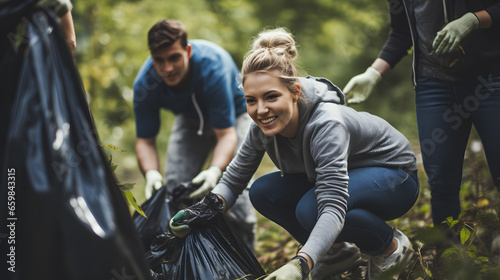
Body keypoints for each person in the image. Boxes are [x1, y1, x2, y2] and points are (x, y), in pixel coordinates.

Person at [169, 28, 420, 280]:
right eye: (251, 100)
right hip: (350, 177)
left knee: (311, 209)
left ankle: (390, 248)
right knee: (263, 191)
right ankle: (334, 252)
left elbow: (332, 204)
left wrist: (302, 263)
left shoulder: (326, 124)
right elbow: (235, 178)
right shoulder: (261, 128)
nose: (261, 110)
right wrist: (203, 209)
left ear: (295, 92)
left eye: (271, 97)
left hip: (395, 178)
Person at [343, 0, 500, 229]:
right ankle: (449, 254)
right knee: (441, 179)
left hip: (491, 79)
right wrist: (373, 73)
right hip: (433, 84)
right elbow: (402, 34)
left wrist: (473, 20)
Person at [133, 19, 256, 249]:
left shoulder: (212, 69)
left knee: (235, 187)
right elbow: (145, 141)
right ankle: (188, 257)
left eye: (174, 58)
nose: (167, 68)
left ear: (187, 51)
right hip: (190, 119)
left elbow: (226, 135)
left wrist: (214, 171)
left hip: (235, 116)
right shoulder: (145, 83)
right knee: (176, 188)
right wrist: (150, 173)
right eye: (159, 60)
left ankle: (247, 254)